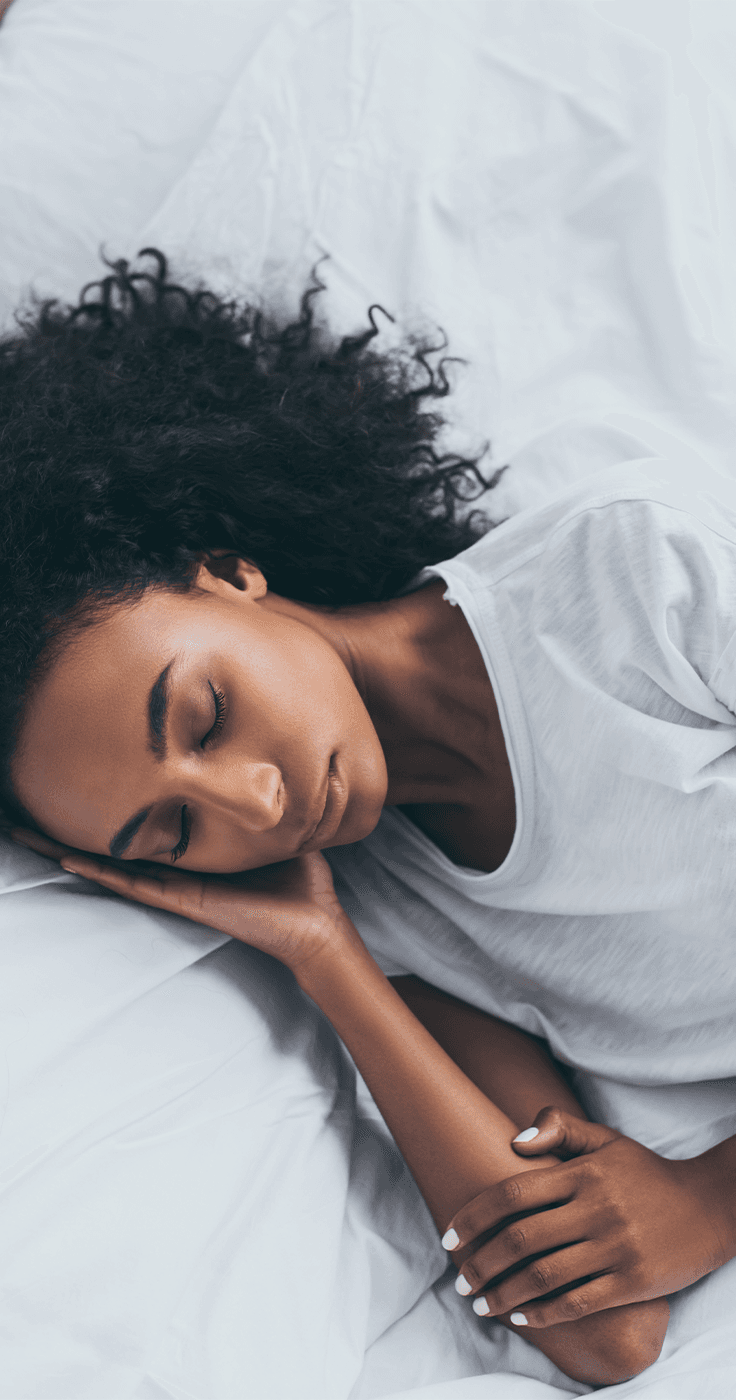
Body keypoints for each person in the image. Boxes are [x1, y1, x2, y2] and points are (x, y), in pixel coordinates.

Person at [2, 249, 733, 1386]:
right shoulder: (382, 914)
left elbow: (671, 1229)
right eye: (172, 833)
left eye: (203, 715)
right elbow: (603, 1332)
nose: (253, 800)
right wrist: (324, 953)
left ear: (232, 573)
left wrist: (711, 1194)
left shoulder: (643, 570)